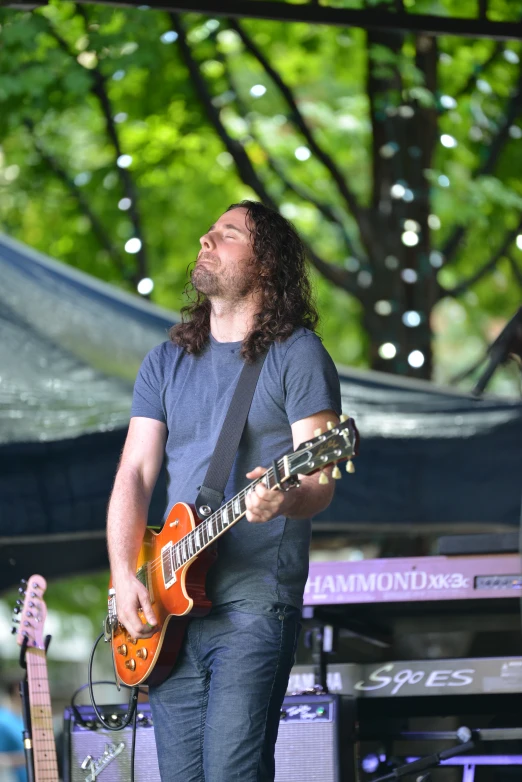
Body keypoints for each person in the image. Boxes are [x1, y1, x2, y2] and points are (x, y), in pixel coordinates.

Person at [107, 199, 342, 782]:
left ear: (265, 265)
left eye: (227, 234)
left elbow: (319, 479)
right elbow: (135, 473)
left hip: (254, 601)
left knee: (233, 774)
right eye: (208, 231)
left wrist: (285, 498)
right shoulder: (165, 361)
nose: (206, 241)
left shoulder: (298, 355)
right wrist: (122, 573)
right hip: (167, 605)